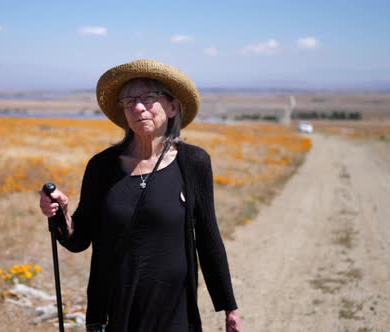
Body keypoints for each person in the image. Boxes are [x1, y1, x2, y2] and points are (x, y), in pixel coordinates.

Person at [39, 59, 242, 332]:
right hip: (115, 312)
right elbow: (79, 239)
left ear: (173, 107)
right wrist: (61, 213)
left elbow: (208, 237)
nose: (138, 107)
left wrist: (229, 308)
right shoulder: (102, 166)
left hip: (175, 312)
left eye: (149, 97)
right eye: (129, 100)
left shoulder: (193, 162)